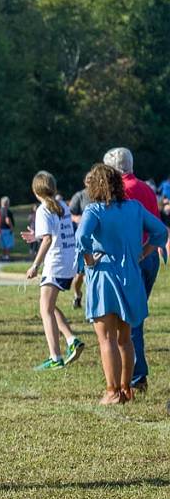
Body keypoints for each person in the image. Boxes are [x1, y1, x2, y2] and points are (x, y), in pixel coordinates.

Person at [76, 163, 166, 404]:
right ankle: (127, 389)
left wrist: (88, 260)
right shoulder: (135, 208)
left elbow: (81, 238)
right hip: (131, 276)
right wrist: (144, 253)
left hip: (104, 277)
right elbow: (161, 232)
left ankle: (111, 391)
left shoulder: (94, 210)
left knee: (106, 339)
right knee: (125, 339)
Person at [104, 147, 162, 393]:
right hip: (149, 257)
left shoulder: (122, 192)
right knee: (134, 318)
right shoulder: (146, 188)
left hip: (133, 258)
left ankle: (136, 377)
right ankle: (136, 374)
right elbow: (158, 225)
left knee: (129, 321)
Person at [25, 172, 84, 371]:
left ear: (36, 191)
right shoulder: (62, 205)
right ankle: (71, 340)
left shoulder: (43, 209)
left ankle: (55, 357)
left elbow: (49, 240)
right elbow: (54, 233)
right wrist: (36, 236)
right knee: (48, 306)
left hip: (55, 263)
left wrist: (35, 265)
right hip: (68, 261)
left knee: (45, 309)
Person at [68, 180, 94, 309]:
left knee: (93, 274)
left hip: (97, 240)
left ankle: (92, 305)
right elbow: (69, 213)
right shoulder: (80, 196)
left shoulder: (101, 195)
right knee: (79, 275)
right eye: (89, 181)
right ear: (85, 182)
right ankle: (78, 295)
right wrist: (77, 218)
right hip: (83, 239)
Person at [0, 197, 15, 262]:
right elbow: (7, 220)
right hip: (7, 229)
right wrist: (11, 228)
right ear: (7, 203)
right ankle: (7, 257)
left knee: (3, 244)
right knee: (8, 244)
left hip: (1, 229)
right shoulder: (7, 211)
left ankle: (4, 256)